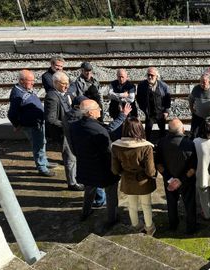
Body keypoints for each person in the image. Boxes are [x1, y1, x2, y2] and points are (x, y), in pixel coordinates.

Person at [69, 99, 129, 229]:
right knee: (111, 194)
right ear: (90, 113)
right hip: (103, 170)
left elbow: (73, 147)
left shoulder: (74, 126)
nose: (100, 110)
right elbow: (108, 153)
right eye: (98, 108)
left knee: (89, 191)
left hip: (86, 167)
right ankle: (112, 218)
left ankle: (85, 213)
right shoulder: (99, 131)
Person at [111, 117, 157, 236]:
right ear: (139, 129)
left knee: (132, 205)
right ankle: (149, 228)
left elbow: (115, 169)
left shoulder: (116, 146)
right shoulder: (146, 147)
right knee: (146, 205)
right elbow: (150, 171)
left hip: (127, 180)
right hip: (143, 181)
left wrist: (124, 172)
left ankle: (136, 225)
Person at [8, 70, 56, 177]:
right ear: (21, 81)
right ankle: (42, 168)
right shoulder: (17, 95)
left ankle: (45, 162)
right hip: (32, 125)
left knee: (42, 142)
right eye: (30, 81)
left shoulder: (24, 88)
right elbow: (11, 114)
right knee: (38, 146)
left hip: (37, 123)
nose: (33, 83)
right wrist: (17, 124)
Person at [156, 118, 197, 234]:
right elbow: (193, 168)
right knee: (189, 204)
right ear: (183, 129)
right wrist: (181, 180)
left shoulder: (161, 143)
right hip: (187, 181)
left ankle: (173, 225)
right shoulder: (189, 144)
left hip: (169, 180)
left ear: (169, 130)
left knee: (171, 203)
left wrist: (170, 179)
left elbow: (158, 164)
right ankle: (191, 228)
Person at [44, 71, 83, 191]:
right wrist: (67, 126)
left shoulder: (64, 94)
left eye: (67, 83)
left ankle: (75, 177)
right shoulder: (52, 96)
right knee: (70, 158)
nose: (66, 86)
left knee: (74, 157)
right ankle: (72, 183)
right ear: (55, 83)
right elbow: (50, 119)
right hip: (65, 132)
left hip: (71, 130)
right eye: (63, 84)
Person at [136, 67, 171, 142]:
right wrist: (143, 109)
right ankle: (147, 146)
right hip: (149, 114)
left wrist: (166, 111)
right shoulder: (142, 85)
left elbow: (167, 100)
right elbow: (138, 98)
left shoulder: (163, 86)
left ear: (156, 76)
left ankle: (162, 145)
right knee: (147, 131)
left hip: (160, 113)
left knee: (162, 131)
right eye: (148, 75)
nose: (149, 77)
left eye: (152, 75)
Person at [188, 74, 210, 138]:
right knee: (194, 134)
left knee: (209, 135)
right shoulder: (196, 89)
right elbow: (191, 99)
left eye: (204, 82)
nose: (202, 84)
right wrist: (191, 109)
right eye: (201, 82)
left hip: (209, 118)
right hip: (197, 116)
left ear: (209, 81)